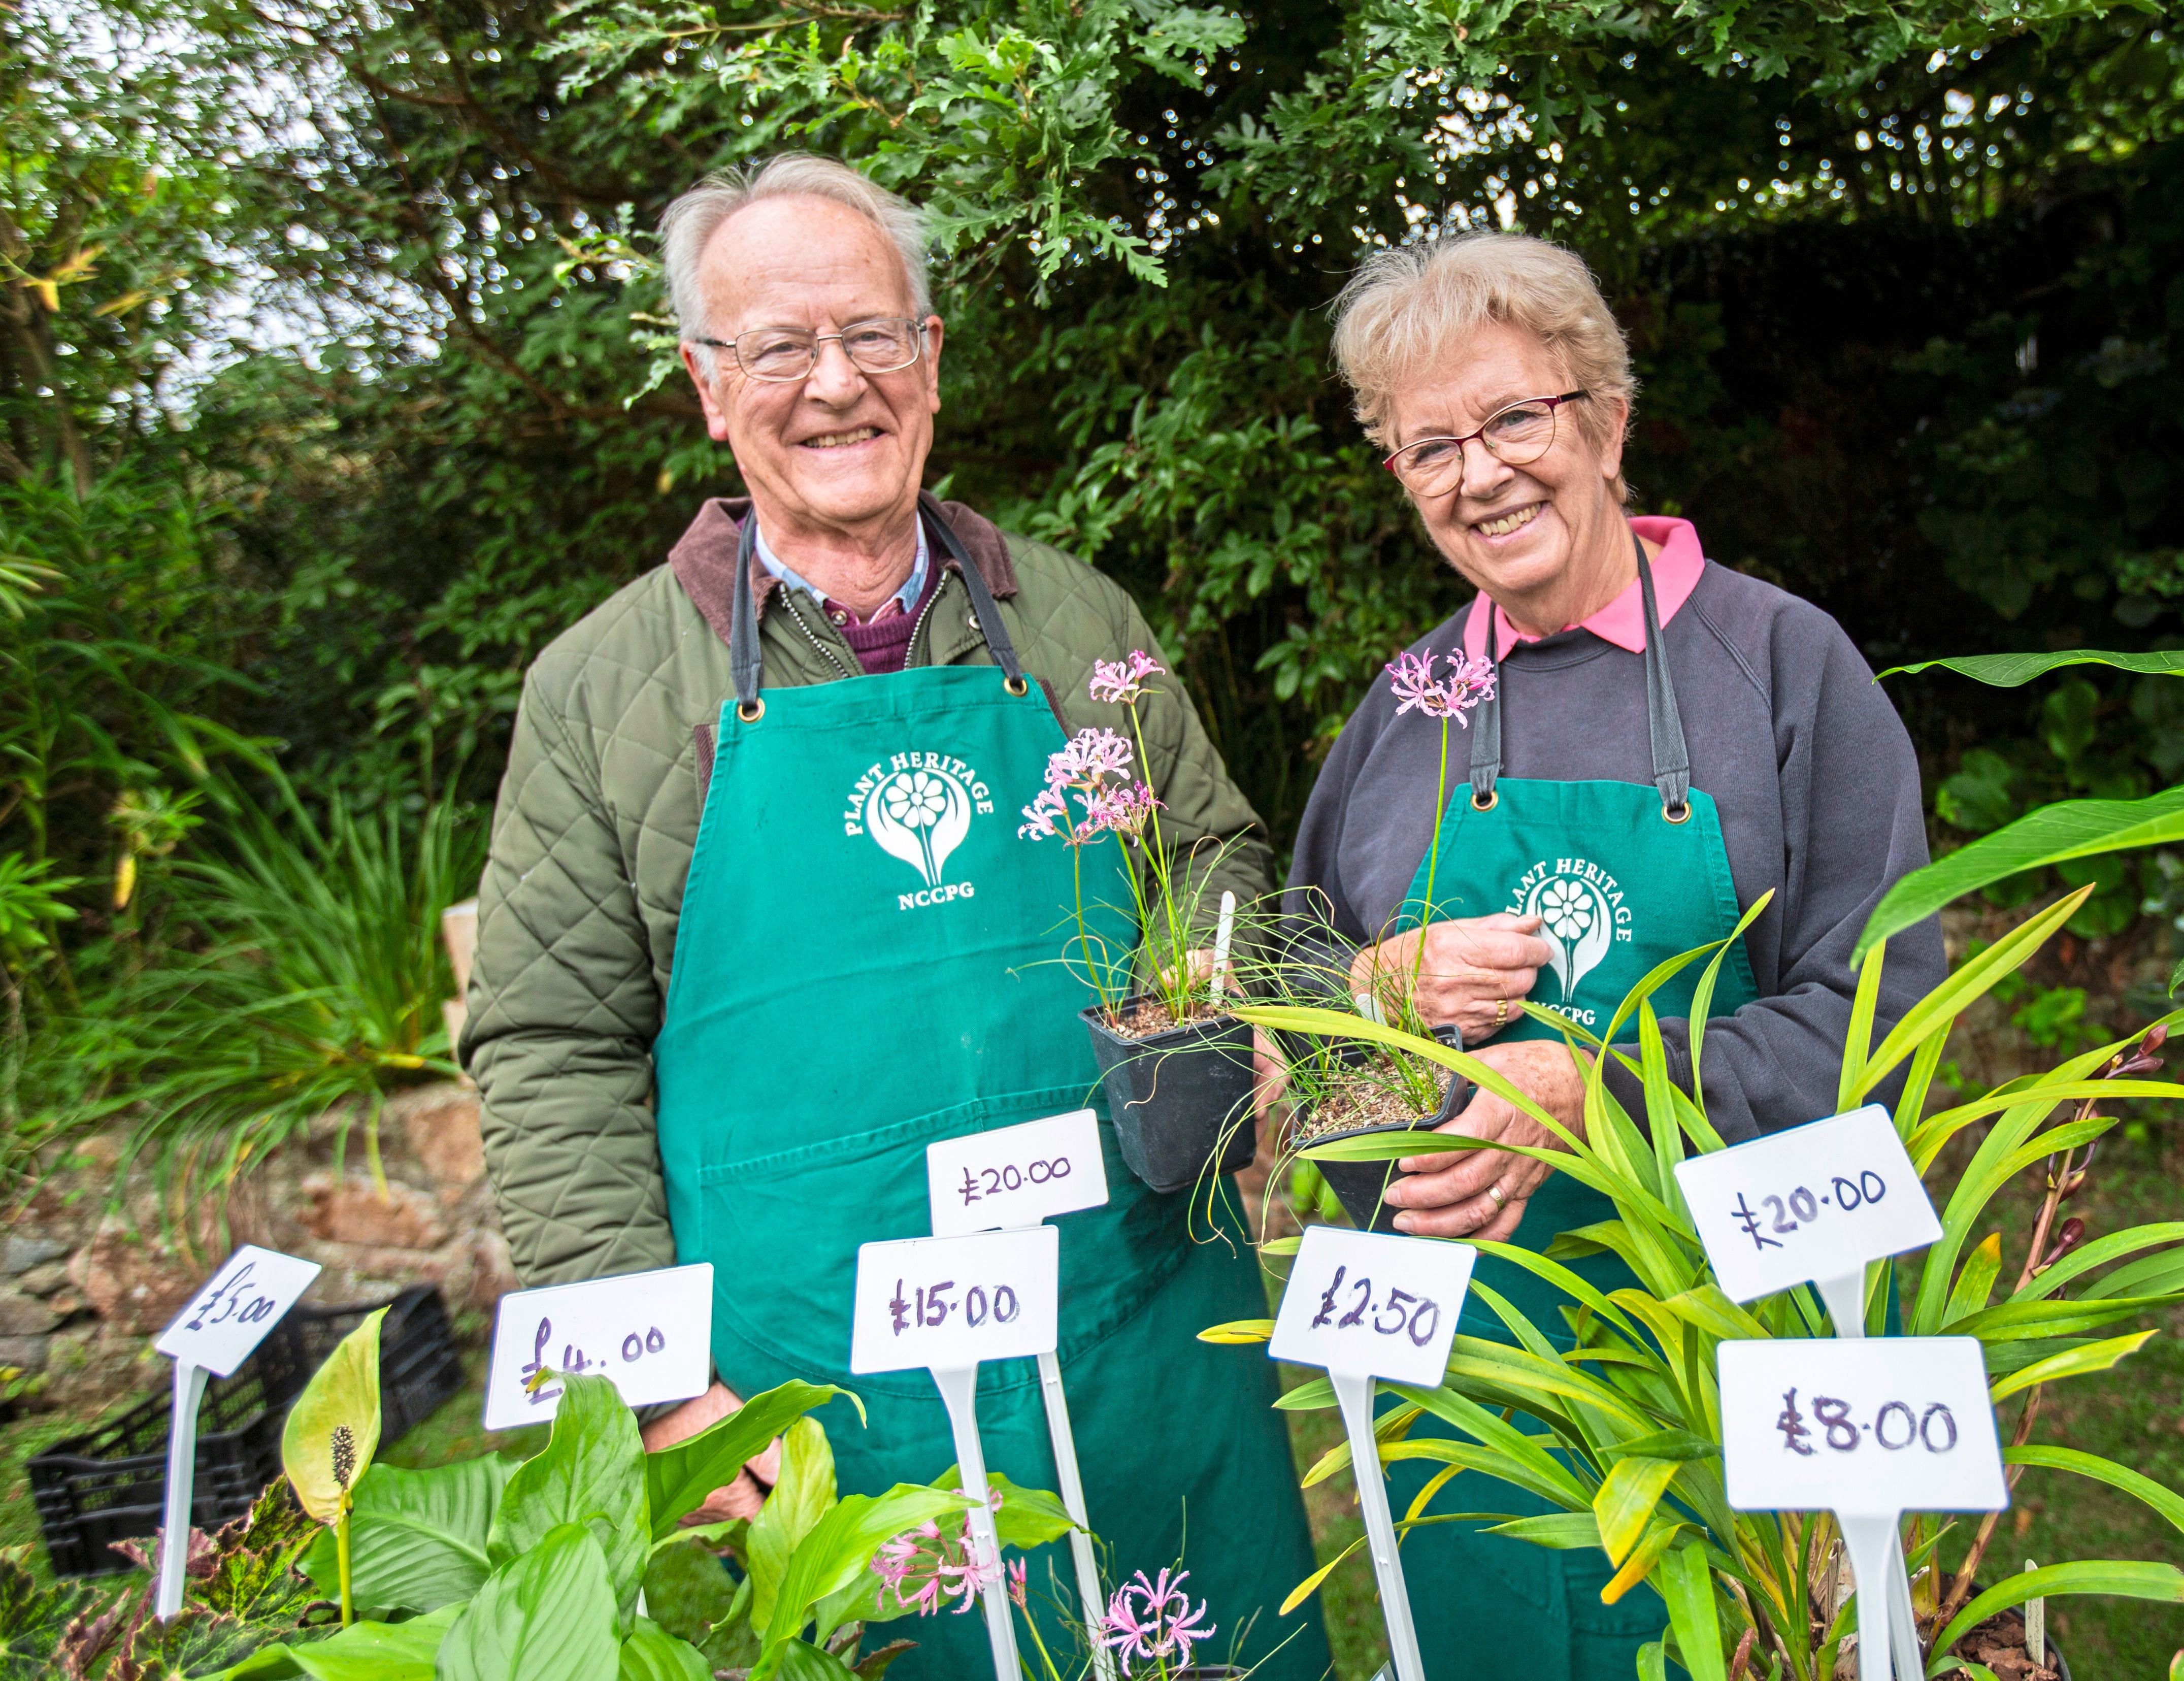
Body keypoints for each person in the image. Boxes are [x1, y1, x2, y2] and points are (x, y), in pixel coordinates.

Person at [464, 153, 1328, 1679]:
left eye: (872, 334)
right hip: (814, 1380)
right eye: (778, 347)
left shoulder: (1073, 621)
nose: (834, 384)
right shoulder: (602, 690)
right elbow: (548, 1046)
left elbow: (1211, 849)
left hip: (1126, 1315)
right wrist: (656, 1383)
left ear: (931, 360)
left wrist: (1213, 989)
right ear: (706, 386)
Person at [1280, 230, 1946, 1678]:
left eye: (1516, 416)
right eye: (1427, 445)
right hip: (1480, 1380)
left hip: (1739, 1337)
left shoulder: (1780, 663)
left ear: (1609, 418)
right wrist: (1367, 993)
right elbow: (1299, 1057)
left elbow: (1885, 1023)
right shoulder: (1406, 711)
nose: (1480, 472)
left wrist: (1595, 1087)